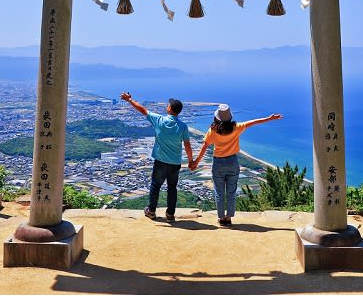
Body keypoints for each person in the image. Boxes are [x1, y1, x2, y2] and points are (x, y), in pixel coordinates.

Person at [191, 105, 282, 226]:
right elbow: (253, 122)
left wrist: (196, 162)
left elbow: (204, 147)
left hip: (218, 163)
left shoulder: (213, 130)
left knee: (219, 192)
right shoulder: (237, 127)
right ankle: (229, 218)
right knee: (231, 191)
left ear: (217, 118)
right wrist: (269, 118)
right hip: (232, 162)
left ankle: (221, 218)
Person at [120, 91, 193, 223]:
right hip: (175, 163)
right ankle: (170, 215)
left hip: (160, 161)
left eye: (168, 105)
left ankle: (151, 211)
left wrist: (130, 100)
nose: (167, 106)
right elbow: (187, 145)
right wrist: (191, 161)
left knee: (155, 186)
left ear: (170, 109)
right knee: (172, 188)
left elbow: (143, 110)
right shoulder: (183, 126)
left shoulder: (159, 120)